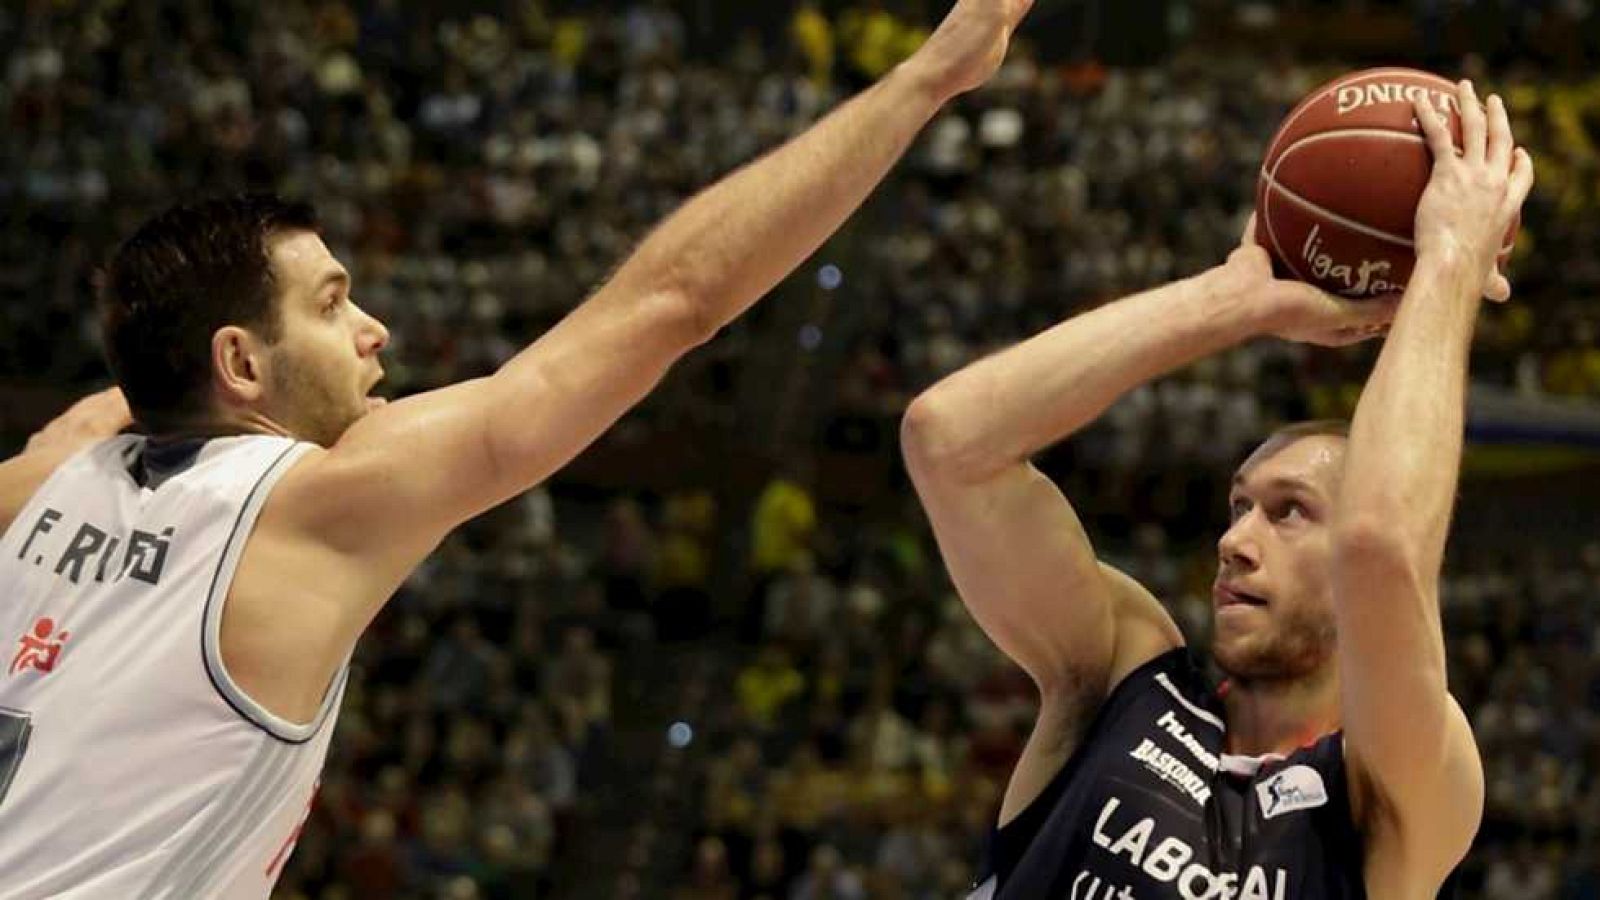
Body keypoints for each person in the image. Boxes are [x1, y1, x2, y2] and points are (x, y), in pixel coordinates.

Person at [0, 2, 1036, 896]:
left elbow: (117, 399)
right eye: (332, 305)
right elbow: (674, 301)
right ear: (238, 361)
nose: (374, 330)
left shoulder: (43, 480)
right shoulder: (310, 506)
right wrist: (930, 75)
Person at [901, 81, 1533, 899]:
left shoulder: (1397, 789)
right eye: (1239, 507)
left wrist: (1448, 258)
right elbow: (950, 442)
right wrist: (1229, 302)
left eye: (1289, 511)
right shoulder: (1124, 671)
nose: (1235, 542)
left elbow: (1379, 548)